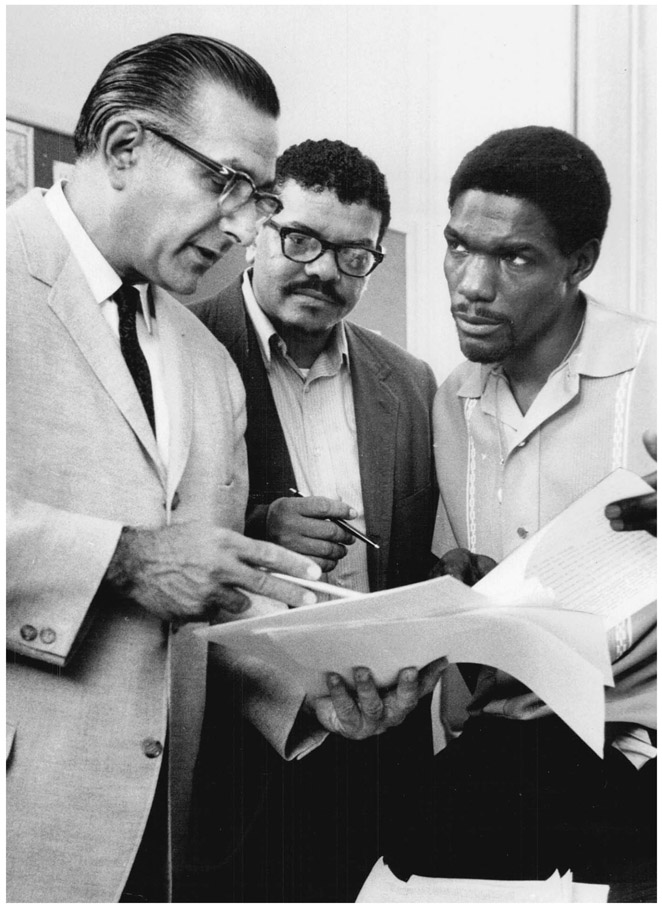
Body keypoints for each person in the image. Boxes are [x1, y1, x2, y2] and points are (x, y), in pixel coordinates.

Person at [6, 36, 435, 903]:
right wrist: (127, 559)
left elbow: (210, 601)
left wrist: (311, 696)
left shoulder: (203, 361)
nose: (243, 226)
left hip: (163, 845)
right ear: (125, 147)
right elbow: (157, 569)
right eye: (224, 183)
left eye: (257, 196)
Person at [380, 126, 656, 901]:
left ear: (580, 263)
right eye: (459, 247)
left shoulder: (657, 368)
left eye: (515, 258)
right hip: (513, 745)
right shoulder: (448, 401)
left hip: (643, 748)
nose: (472, 283)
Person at [189, 138, 439, 901]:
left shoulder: (411, 381)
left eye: (354, 255)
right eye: (301, 239)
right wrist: (261, 523)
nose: (325, 270)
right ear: (258, 226)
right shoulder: (183, 346)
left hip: (370, 753)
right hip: (228, 764)